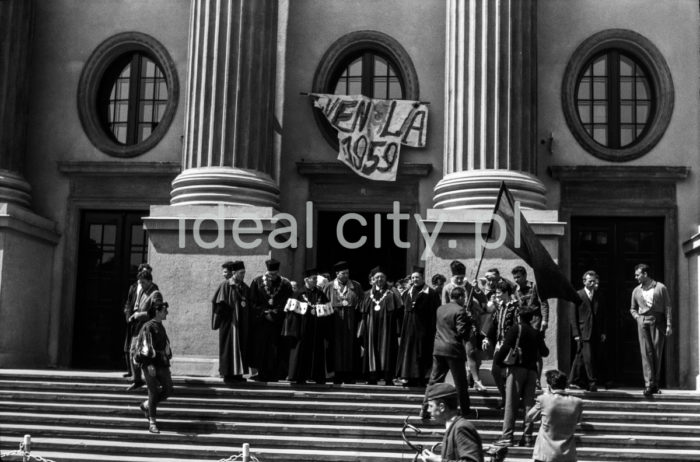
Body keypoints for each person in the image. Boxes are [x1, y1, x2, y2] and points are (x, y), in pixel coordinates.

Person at [494, 304, 549, 447]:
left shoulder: (515, 329)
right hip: (532, 372)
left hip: (517, 369)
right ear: (531, 318)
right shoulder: (535, 332)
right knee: (529, 405)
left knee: (511, 404)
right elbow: (545, 352)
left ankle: (507, 436)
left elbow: (506, 347)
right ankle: (528, 437)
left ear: (519, 316)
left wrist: (499, 362)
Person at [420, 286, 472, 419]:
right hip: (453, 350)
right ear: (460, 297)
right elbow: (463, 332)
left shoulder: (440, 309)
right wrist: (469, 322)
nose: (464, 300)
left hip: (438, 348)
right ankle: (466, 411)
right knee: (460, 382)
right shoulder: (460, 310)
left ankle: (424, 409)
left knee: (434, 381)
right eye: (464, 297)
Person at [630, 263, 672, 396]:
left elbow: (668, 307)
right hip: (642, 323)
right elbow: (632, 308)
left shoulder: (661, 287)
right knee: (646, 353)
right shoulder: (636, 290)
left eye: (638, 274)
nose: (636, 277)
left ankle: (655, 384)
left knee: (657, 353)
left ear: (645, 274)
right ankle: (648, 384)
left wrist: (669, 324)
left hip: (658, 322)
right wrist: (637, 317)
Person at [249, 258, 294, 382]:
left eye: (274, 274)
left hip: (277, 322)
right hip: (262, 322)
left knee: (276, 348)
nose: (272, 277)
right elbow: (252, 302)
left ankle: (276, 373)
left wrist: (275, 313)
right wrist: (264, 313)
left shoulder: (284, 284)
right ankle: (261, 373)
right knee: (262, 348)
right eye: (269, 275)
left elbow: (288, 301)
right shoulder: (257, 282)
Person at [285, 268, 331, 384]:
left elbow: (327, 312)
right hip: (302, 329)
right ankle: (300, 376)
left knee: (317, 352)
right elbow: (291, 315)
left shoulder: (320, 294)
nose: (316, 280)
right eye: (314, 278)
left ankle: (316, 376)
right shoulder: (298, 293)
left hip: (317, 329)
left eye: (316, 278)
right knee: (301, 352)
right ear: (307, 279)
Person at [396, 266, 441, 387]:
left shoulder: (431, 293)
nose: (415, 280)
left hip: (424, 330)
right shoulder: (406, 293)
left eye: (417, 277)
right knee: (408, 353)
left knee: (422, 353)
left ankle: (422, 378)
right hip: (409, 330)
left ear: (423, 278)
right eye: (413, 277)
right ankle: (408, 377)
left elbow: (436, 312)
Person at [525, 369, 583, 462]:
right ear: (566, 385)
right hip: (568, 455)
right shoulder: (577, 402)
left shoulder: (543, 399)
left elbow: (529, 417)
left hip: (544, 455)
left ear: (548, 385)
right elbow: (578, 420)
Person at [359, 266, 403, 385]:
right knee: (371, 350)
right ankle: (372, 377)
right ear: (373, 279)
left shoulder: (393, 292)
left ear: (386, 279)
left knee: (387, 350)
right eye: (377, 277)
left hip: (388, 329)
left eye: (382, 277)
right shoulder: (367, 294)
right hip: (371, 328)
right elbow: (363, 314)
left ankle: (388, 377)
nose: (380, 279)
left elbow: (399, 312)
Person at [134, 300, 173, 434]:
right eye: (164, 310)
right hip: (150, 364)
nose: (166, 312)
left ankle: (146, 405)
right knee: (153, 391)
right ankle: (152, 423)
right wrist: (149, 364)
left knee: (168, 389)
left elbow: (165, 345)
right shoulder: (148, 326)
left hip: (161, 363)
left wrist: (166, 357)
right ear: (157, 311)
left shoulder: (160, 326)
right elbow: (144, 346)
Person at [419, 382, 484, 462]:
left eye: (431, 406)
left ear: (441, 407)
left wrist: (439, 460)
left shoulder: (461, 428)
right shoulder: (453, 427)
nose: (428, 410)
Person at [324, 261, 364, 384]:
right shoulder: (329, 286)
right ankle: (336, 374)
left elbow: (361, 303)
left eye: (347, 273)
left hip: (351, 322)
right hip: (334, 322)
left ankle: (349, 375)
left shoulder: (356, 286)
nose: (346, 275)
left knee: (350, 347)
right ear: (337, 274)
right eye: (343, 273)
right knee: (335, 347)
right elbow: (324, 304)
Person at [211, 260, 251, 384]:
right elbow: (219, 304)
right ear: (234, 272)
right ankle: (228, 374)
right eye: (241, 273)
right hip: (229, 324)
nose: (243, 275)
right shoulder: (226, 285)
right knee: (228, 348)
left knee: (242, 347)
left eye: (244, 273)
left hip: (242, 324)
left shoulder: (244, 287)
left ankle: (238, 374)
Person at [512, 266, 549, 389]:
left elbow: (544, 303)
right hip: (523, 324)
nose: (516, 280)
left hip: (535, 323)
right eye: (514, 277)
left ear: (524, 276)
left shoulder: (534, 286)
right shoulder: (516, 290)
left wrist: (545, 320)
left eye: (518, 277)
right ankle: (527, 378)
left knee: (537, 353)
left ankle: (537, 379)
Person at [482, 280, 519, 406]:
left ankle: (511, 400)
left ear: (506, 293)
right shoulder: (500, 307)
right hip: (499, 343)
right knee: (495, 371)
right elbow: (494, 324)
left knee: (510, 374)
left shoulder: (516, 307)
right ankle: (505, 396)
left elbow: (517, 327)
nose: (497, 295)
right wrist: (487, 338)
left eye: (499, 293)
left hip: (510, 346)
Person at [568, 270, 606, 392]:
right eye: (590, 281)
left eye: (594, 281)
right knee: (588, 358)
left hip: (596, 332)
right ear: (584, 281)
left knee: (582, 356)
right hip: (583, 331)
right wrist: (576, 333)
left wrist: (603, 332)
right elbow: (573, 316)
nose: (592, 283)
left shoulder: (599, 295)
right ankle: (592, 382)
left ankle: (574, 380)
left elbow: (602, 316)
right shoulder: (577, 294)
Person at [126, 270, 163, 391]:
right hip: (138, 327)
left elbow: (156, 312)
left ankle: (153, 381)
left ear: (150, 281)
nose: (141, 285)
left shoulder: (156, 294)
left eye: (143, 282)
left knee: (146, 354)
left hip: (149, 328)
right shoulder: (142, 291)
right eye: (140, 283)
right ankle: (137, 380)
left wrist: (138, 315)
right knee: (133, 352)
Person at [122, 263, 155, 379]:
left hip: (143, 320)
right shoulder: (134, 287)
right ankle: (132, 372)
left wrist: (140, 315)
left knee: (140, 348)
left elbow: (154, 308)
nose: (145, 274)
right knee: (129, 346)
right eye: (143, 272)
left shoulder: (153, 289)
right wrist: (128, 315)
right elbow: (129, 302)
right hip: (132, 318)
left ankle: (140, 376)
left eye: (147, 272)